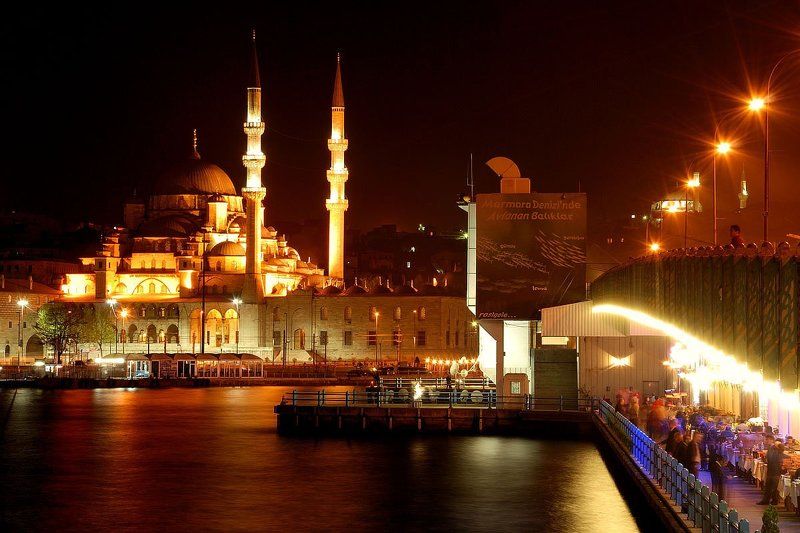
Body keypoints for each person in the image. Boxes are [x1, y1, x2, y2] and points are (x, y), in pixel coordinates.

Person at [758, 435, 783, 505]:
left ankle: (772, 500)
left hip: (775, 469)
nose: (766, 441)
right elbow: (768, 458)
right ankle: (767, 500)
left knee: (772, 486)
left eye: (767, 440)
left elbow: (776, 456)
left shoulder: (776, 447)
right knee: (769, 485)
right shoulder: (770, 448)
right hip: (771, 468)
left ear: (772, 440)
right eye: (766, 440)